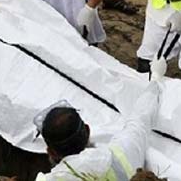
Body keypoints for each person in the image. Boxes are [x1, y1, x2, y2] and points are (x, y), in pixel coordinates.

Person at [35, 69, 164, 181]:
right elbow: (140, 117)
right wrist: (156, 80)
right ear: (87, 130)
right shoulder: (122, 152)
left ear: (50, 152)